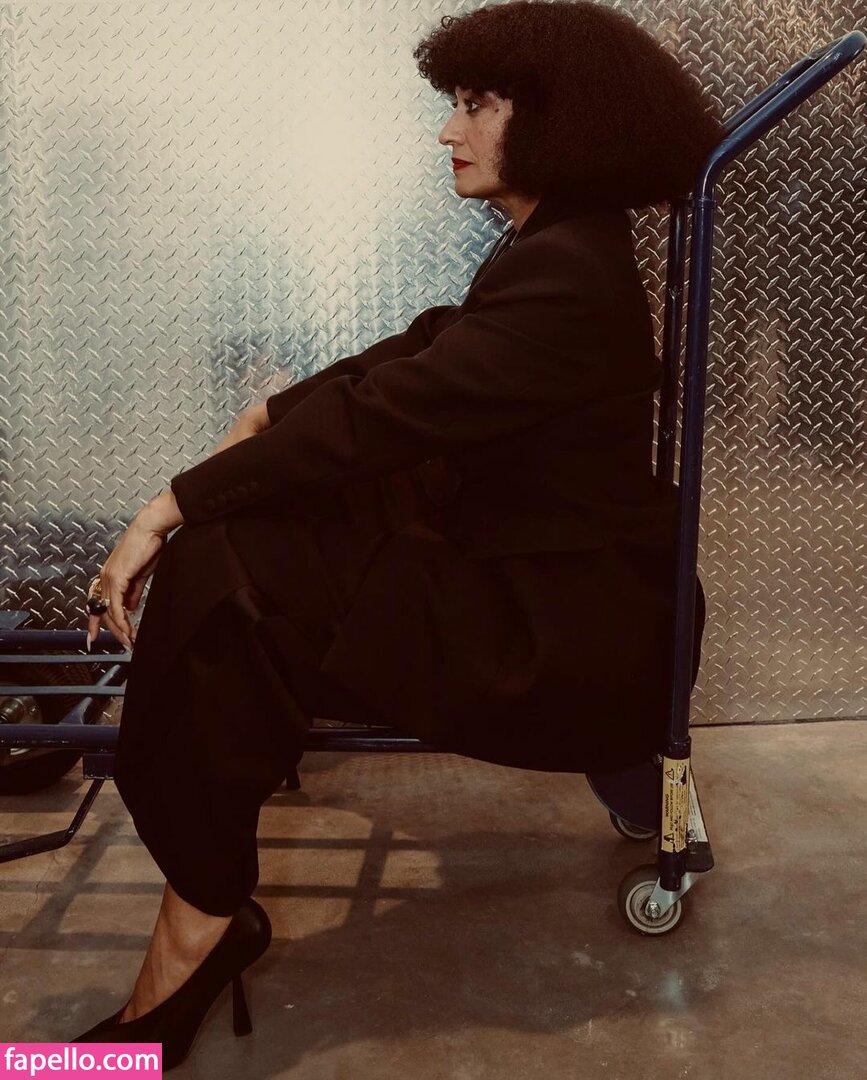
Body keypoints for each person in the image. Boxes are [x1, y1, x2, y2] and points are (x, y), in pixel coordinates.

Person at [73, 0, 723, 1068]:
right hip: (547, 579)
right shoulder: (562, 246)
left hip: (559, 636)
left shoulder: (569, 272)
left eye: (476, 105)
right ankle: (202, 899)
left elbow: (390, 414)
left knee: (226, 565)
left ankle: (194, 932)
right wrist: (269, 417)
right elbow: (429, 347)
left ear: (559, 118)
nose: (447, 130)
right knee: (240, 548)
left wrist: (169, 505)